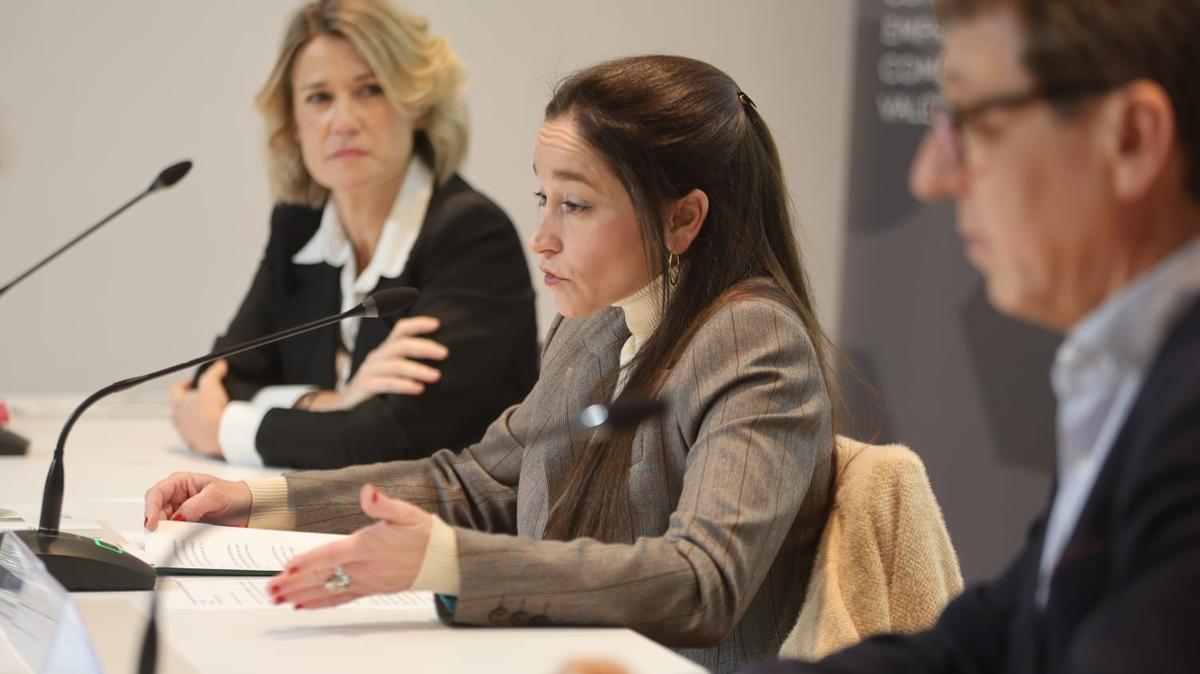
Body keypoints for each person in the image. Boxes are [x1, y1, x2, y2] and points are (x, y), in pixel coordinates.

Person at [145, 55, 840, 673]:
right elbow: (477, 483)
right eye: (545, 199)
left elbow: (701, 582)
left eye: (576, 204)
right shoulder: (596, 324)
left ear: (683, 219)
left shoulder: (753, 341)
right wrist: (263, 503)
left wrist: (447, 561)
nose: (541, 236)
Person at [742, 0, 1200, 672]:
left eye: (970, 123)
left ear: (1131, 138)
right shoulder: (1138, 375)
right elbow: (992, 641)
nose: (930, 175)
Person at [169, 0, 538, 470]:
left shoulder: (472, 237)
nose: (343, 122)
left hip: (445, 529)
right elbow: (216, 380)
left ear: (417, 104)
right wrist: (336, 402)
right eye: (319, 98)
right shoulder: (298, 227)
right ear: (293, 122)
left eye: (369, 90)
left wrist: (225, 429)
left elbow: (393, 438)